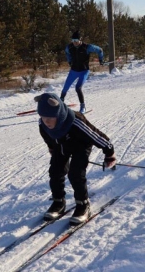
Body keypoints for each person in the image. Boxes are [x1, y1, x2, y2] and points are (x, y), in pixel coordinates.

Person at [34, 92, 116, 225]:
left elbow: (97, 136)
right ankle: (58, 202)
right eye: (43, 117)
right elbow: (47, 136)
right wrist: (51, 148)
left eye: (50, 117)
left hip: (81, 146)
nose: (46, 121)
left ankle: (83, 205)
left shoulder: (76, 122)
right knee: (55, 171)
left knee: (75, 174)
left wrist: (109, 153)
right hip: (60, 146)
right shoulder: (42, 123)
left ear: (58, 114)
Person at [60, 30, 104, 114]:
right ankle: (61, 103)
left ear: (80, 40)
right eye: (73, 41)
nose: (74, 43)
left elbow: (100, 50)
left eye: (76, 41)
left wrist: (101, 59)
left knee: (78, 88)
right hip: (73, 70)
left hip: (84, 71)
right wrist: (69, 61)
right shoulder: (69, 47)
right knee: (65, 87)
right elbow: (67, 53)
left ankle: (83, 107)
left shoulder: (87, 47)